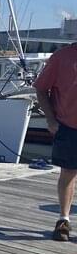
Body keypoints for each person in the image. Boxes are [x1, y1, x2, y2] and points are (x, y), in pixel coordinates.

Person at [33, 41, 77, 241]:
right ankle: (63, 219)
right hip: (69, 126)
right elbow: (41, 88)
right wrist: (50, 118)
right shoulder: (61, 57)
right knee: (68, 173)